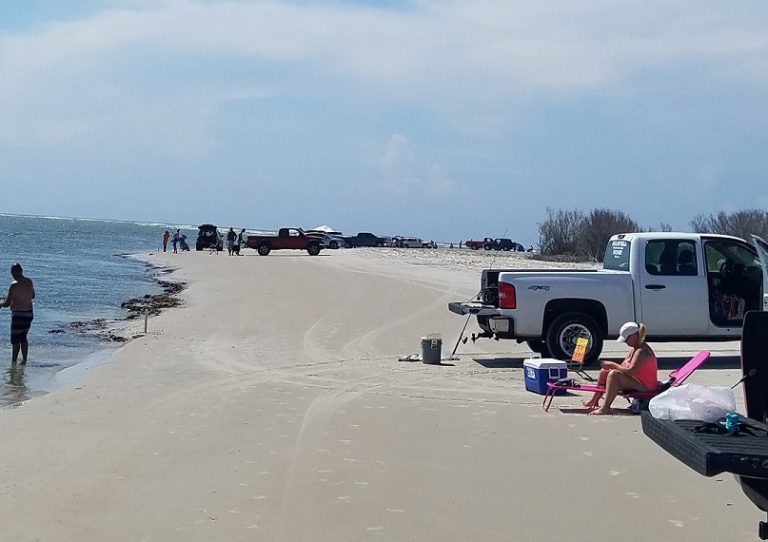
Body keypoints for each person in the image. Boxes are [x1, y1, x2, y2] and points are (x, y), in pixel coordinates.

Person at [585, 322, 658, 415]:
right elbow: (623, 366)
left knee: (614, 375)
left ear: (635, 336)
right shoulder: (635, 349)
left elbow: (630, 372)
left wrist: (613, 365)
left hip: (646, 388)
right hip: (637, 382)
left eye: (627, 339)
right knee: (604, 372)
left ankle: (605, 408)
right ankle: (594, 400)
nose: (625, 342)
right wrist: (610, 367)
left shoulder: (642, 352)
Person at [0, 263, 36, 364]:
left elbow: (7, 303)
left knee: (15, 340)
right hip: (29, 314)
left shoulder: (14, 285)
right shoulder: (29, 281)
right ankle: (24, 360)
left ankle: (14, 362)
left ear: (13, 273)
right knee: (23, 337)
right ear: (21, 271)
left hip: (18, 315)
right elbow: (33, 296)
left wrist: (1, 304)